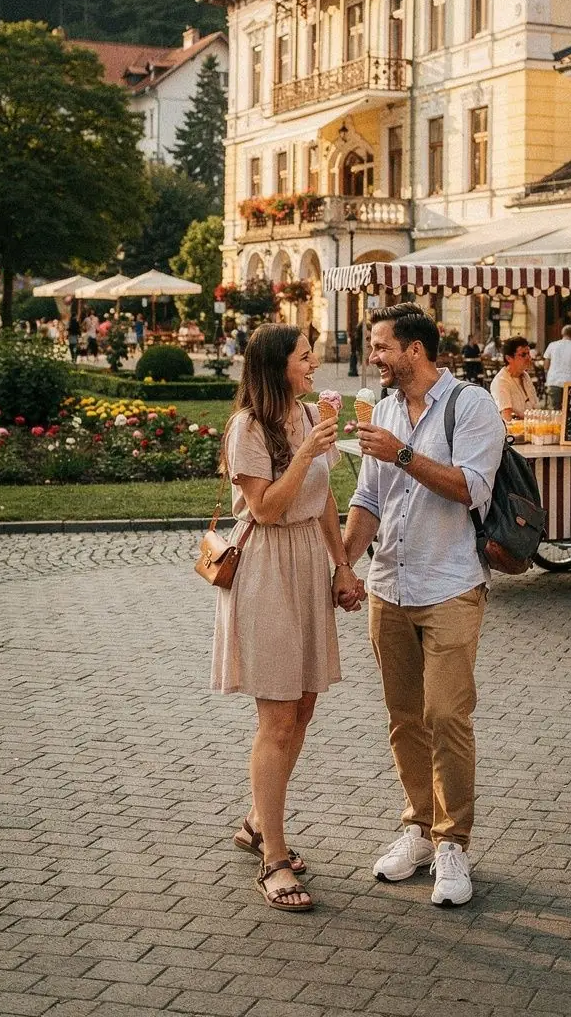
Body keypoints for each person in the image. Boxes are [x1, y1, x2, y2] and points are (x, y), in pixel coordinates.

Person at [344, 303, 504, 908]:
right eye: (372, 346)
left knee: (446, 716)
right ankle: (416, 826)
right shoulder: (383, 410)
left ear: (416, 349)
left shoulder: (471, 406)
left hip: (451, 585)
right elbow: (368, 499)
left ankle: (453, 843)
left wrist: (403, 454)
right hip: (390, 586)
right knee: (404, 716)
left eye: (382, 346)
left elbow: (470, 488)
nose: (374, 357)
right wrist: (344, 565)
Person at [211, 324, 363, 913]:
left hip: (305, 565)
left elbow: (323, 496)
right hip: (266, 571)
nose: (314, 364)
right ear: (278, 367)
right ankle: (273, 856)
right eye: (305, 357)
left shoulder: (305, 414)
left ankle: (255, 821)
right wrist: (304, 451)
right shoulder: (248, 427)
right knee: (276, 716)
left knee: (302, 706)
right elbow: (267, 508)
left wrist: (342, 565)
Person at [489, 335, 539, 419]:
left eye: (528, 354)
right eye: (523, 355)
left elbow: (535, 406)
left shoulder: (525, 376)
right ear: (509, 358)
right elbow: (508, 417)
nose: (528, 358)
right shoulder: (501, 381)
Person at [543, 324, 571, 409]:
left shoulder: (552, 345)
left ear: (562, 333)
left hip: (553, 381)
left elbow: (546, 366)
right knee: (569, 410)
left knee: (554, 410)